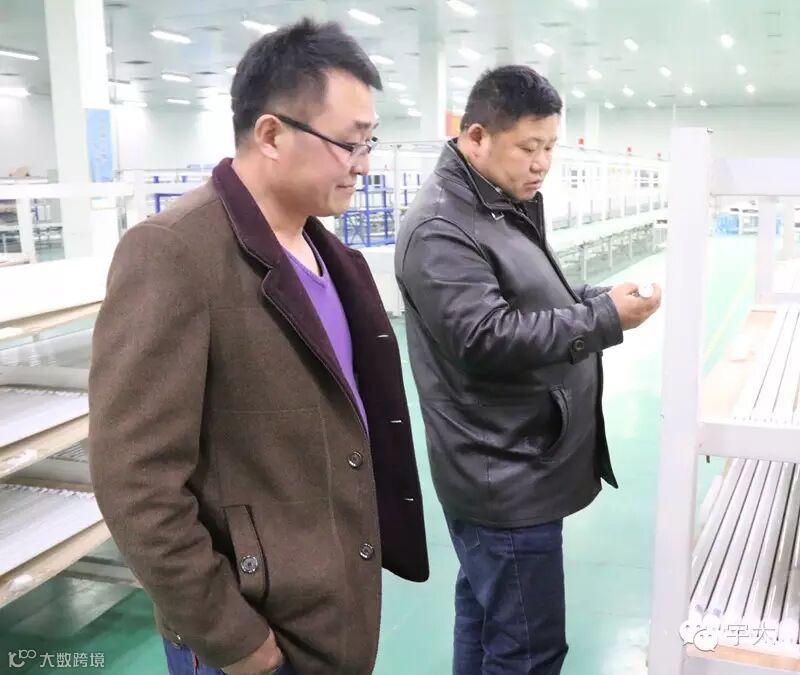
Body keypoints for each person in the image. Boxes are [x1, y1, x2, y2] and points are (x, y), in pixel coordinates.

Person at [89, 19, 428, 675]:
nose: (363, 164)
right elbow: (135, 480)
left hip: (331, 610)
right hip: (254, 631)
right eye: (349, 143)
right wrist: (232, 636)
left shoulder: (334, 258)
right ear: (271, 134)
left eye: (369, 142)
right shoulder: (174, 254)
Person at [394, 65, 661, 674]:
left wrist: (596, 298)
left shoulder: (496, 205)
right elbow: (484, 337)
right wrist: (603, 319)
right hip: (501, 473)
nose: (542, 164)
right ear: (477, 137)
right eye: (528, 147)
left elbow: (529, 297)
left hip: (515, 460)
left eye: (550, 147)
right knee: (528, 650)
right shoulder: (442, 228)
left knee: (488, 620)